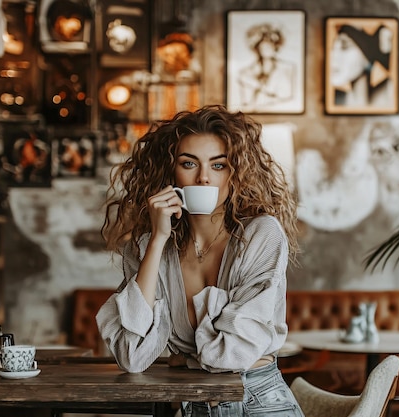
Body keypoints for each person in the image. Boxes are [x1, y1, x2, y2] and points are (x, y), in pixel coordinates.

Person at [96, 105, 303, 416]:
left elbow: (235, 352)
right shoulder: (146, 247)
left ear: (237, 174)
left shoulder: (261, 234)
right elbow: (131, 356)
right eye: (189, 163)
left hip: (259, 403)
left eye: (218, 166)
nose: (203, 178)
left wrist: (187, 359)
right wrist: (156, 240)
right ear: (170, 173)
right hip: (193, 407)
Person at [330, 24, 393, 108]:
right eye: (332, 48)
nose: (333, 55)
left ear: (366, 60)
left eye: (345, 46)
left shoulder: (389, 92)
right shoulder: (334, 99)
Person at [237, 23, 295, 111]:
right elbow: (246, 104)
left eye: (269, 45)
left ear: (275, 46)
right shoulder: (246, 73)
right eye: (262, 46)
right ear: (257, 48)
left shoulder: (287, 68)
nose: (266, 49)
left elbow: (286, 97)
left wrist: (257, 85)